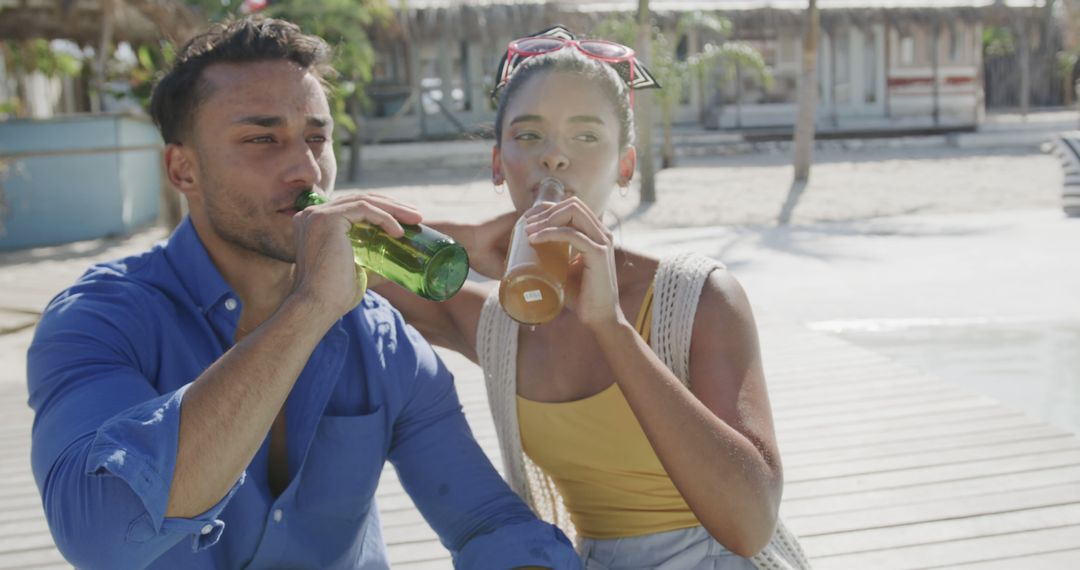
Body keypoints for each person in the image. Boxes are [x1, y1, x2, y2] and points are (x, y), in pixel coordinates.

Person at [26, 17, 581, 570]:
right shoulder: (99, 319)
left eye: (316, 137)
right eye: (262, 138)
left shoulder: (380, 339)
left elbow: (486, 522)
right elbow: (101, 534)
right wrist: (308, 310)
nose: (306, 168)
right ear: (183, 169)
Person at [373, 26, 810, 570]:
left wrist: (612, 327)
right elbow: (318, 253)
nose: (554, 158)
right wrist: (465, 240)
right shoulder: (493, 323)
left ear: (624, 166)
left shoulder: (697, 297)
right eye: (529, 136)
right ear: (496, 162)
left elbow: (749, 525)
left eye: (585, 137)